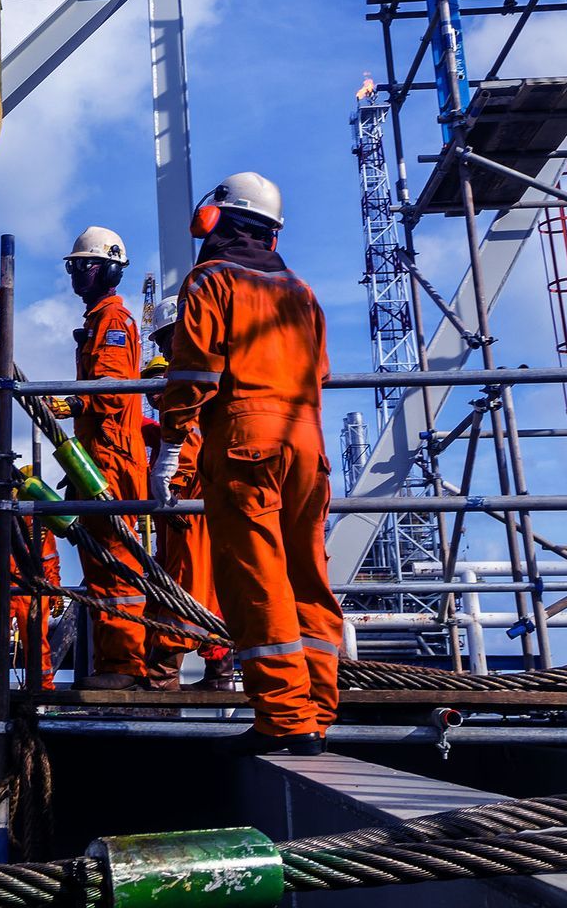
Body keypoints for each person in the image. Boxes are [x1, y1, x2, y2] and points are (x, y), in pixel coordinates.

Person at [152, 172, 343, 753]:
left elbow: (193, 375)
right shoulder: (303, 292)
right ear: (274, 235)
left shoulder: (210, 280)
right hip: (308, 441)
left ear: (215, 220)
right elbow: (323, 373)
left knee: (257, 581)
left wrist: (172, 443)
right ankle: (317, 710)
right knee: (308, 575)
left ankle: (285, 720)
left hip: (245, 439)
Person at [61, 225, 151, 690]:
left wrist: (72, 402)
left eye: (84, 265)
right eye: (75, 266)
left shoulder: (113, 322)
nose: (77, 273)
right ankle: (113, 663)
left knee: (115, 561)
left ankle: (125, 665)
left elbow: (111, 393)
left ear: (107, 270)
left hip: (113, 459)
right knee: (100, 563)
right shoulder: (99, 320)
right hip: (100, 458)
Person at [141, 310, 233, 693]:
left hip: (185, 503)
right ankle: (220, 671)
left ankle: (163, 677)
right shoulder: (197, 385)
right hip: (195, 501)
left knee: (182, 585)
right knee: (204, 584)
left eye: (166, 341)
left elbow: (188, 443)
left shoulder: (184, 394)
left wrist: (174, 487)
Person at [0, 502, 61, 690]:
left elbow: (49, 557)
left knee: (36, 636)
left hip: (31, 582)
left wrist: (54, 589)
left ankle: (41, 683)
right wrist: (15, 533)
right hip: (1, 578)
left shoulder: (40, 521)